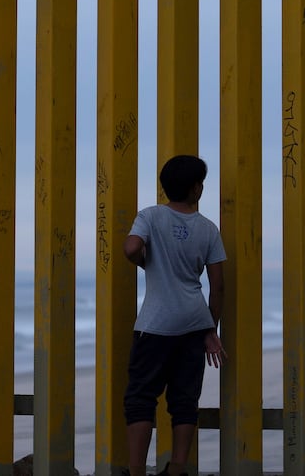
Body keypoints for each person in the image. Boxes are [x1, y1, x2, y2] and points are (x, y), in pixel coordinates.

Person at [123, 155, 226, 476]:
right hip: (194, 324)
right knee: (184, 400)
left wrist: (144, 261)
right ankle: (178, 467)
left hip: (155, 325)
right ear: (196, 188)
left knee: (141, 397)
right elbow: (218, 285)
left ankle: (137, 469)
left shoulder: (151, 217)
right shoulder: (208, 229)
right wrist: (211, 329)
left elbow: (130, 248)